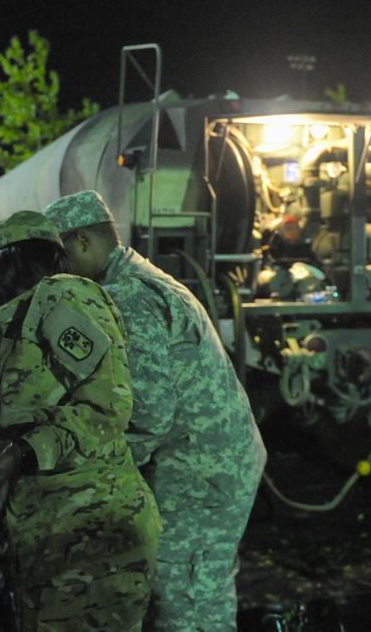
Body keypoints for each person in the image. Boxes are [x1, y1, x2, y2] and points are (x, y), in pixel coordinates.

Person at [42, 191, 267, 632]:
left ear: (83, 241)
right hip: (209, 461)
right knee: (196, 588)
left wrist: (89, 477)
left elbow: (149, 415)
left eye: (59, 255)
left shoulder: (127, 296)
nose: (57, 270)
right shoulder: (141, 277)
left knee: (182, 600)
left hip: (198, 472)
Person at [0, 210, 161, 631]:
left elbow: (107, 406)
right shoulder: (28, 318)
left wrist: (21, 455)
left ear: (9, 266)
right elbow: (35, 411)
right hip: (60, 533)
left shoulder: (60, 295)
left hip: (94, 535)